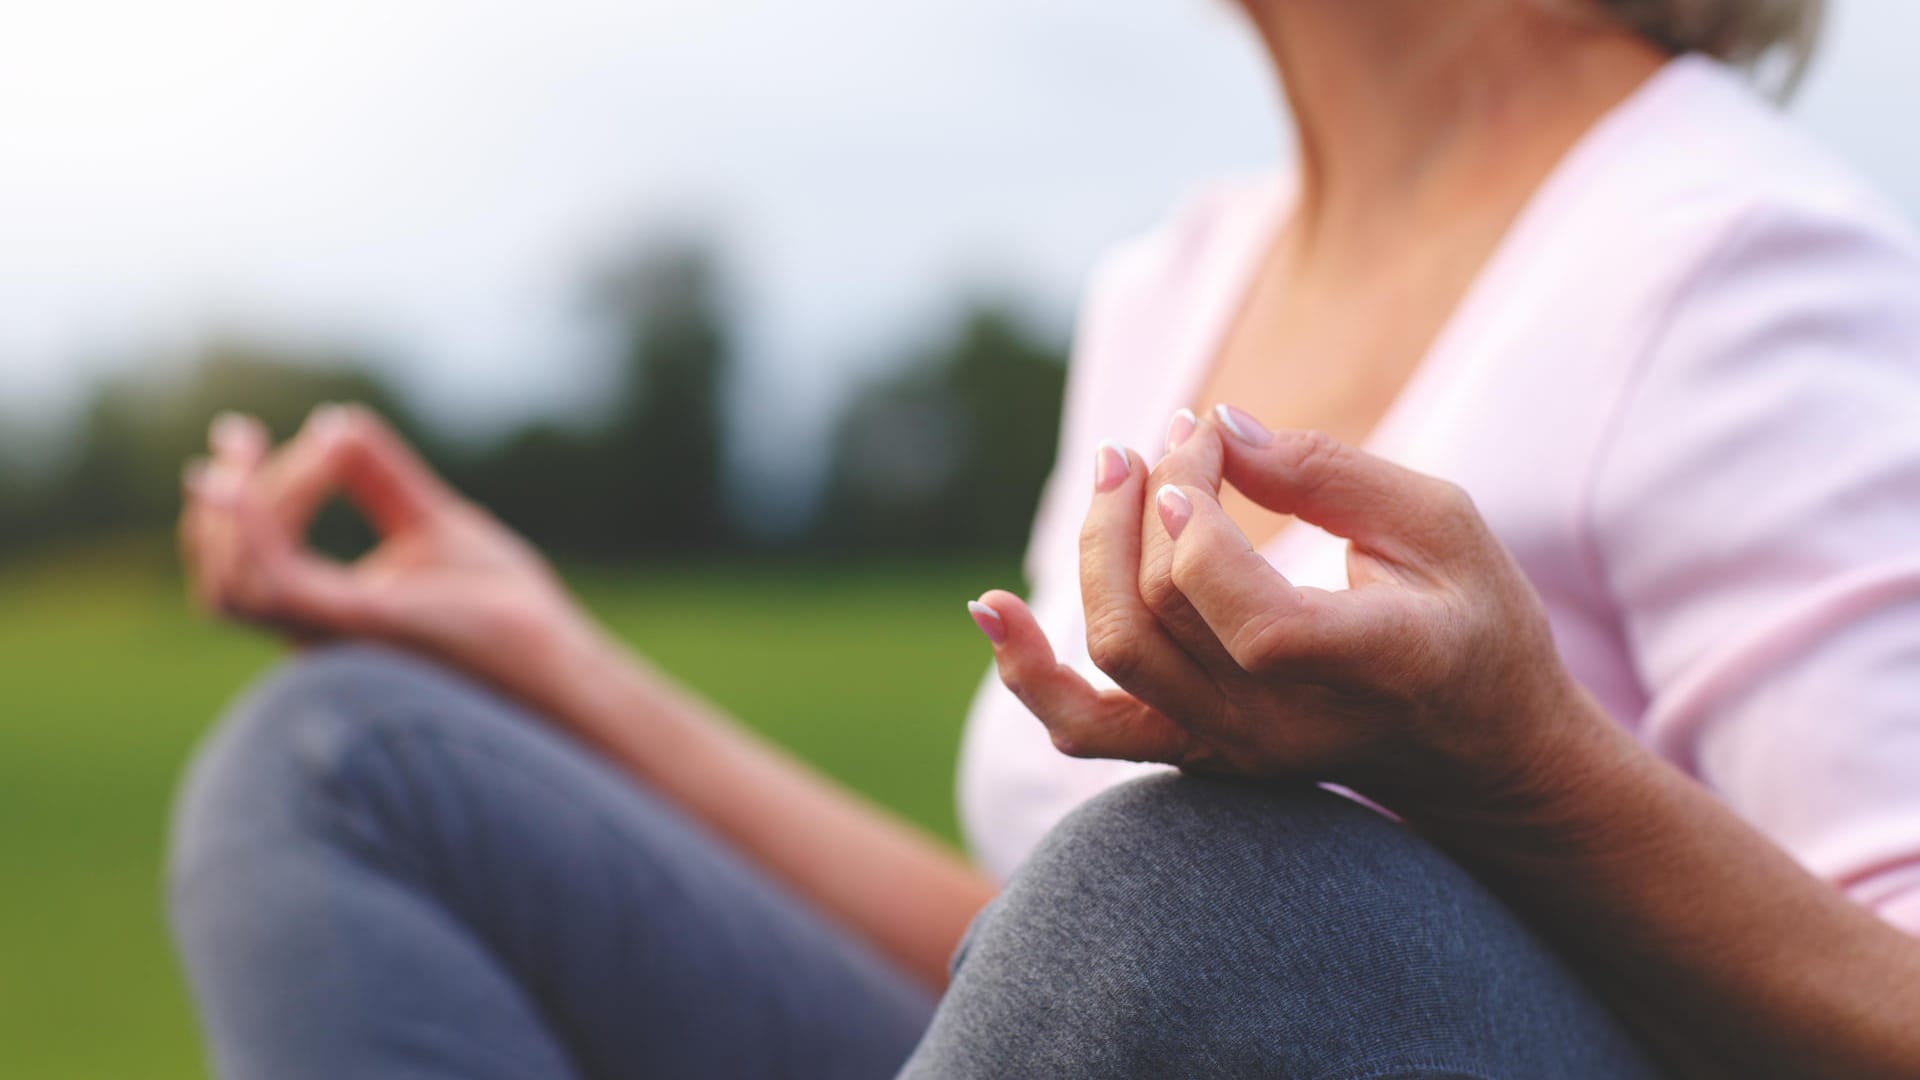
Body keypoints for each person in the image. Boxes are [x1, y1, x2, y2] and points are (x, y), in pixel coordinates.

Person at [168, 0, 1920, 1076]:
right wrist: (545, 655)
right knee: (349, 764)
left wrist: (1511, 767)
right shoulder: (1176, 285)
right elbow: (1048, 972)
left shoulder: (1730, 262)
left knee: (1213, 898)